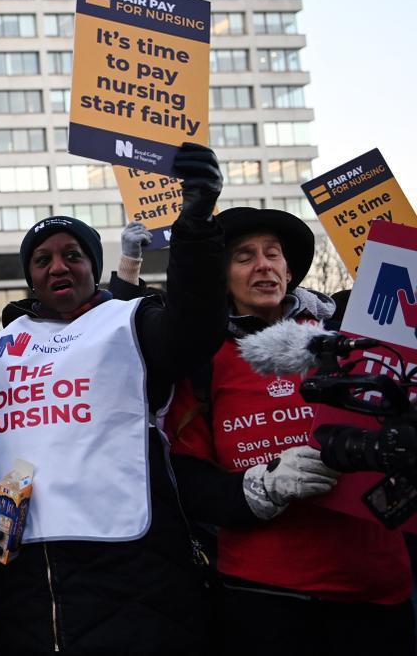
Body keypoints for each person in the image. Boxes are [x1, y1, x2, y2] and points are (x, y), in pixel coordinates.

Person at [0, 142, 227, 655]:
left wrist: (195, 223)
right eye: (42, 260)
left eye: (73, 255)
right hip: (25, 581)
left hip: (134, 576)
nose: (58, 267)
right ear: (30, 277)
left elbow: (197, 326)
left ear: (94, 265)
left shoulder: (132, 322)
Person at [165, 207, 413, 655]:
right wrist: (263, 486)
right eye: (244, 256)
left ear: (289, 269)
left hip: (376, 589)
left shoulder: (353, 339)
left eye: (273, 254)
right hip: (263, 595)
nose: (264, 265)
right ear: (222, 276)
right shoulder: (202, 359)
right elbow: (187, 480)